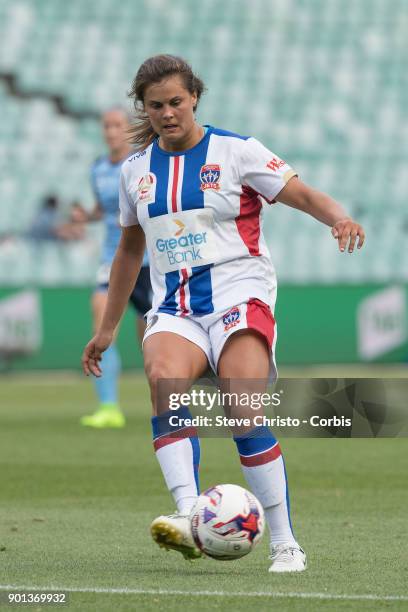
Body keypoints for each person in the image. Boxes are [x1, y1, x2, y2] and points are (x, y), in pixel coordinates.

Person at [82, 55, 365, 572]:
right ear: (142, 107)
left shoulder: (237, 151)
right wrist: (106, 330)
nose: (167, 113)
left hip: (241, 298)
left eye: (175, 102)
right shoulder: (135, 171)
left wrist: (338, 217)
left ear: (194, 97)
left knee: (242, 412)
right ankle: (190, 516)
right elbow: (128, 250)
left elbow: (298, 193)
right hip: (177, 308)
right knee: (163, 379)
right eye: (155, 105)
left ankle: (284, 543)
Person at [77, 108, 151, 428]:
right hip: (112, 259)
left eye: (117, 125)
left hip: (147, 262)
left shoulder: (142, 164)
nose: (110, 131)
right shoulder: (97, 169)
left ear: (128, 129)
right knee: (101, 326)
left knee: (153, 338)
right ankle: (109, 407)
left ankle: (167, 402)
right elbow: (103, 208)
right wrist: (86, 217)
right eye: (106, 125)